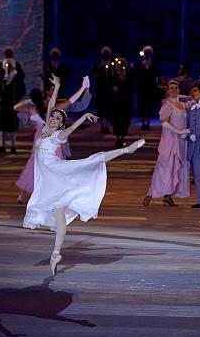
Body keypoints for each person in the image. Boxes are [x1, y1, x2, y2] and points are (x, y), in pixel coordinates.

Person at [22, 75, 146, 275]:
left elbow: (70, 128)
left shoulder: (57, 136)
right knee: (59, 218)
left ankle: (125, 150)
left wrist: (83, 116)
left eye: (57, 119)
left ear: (60, 124)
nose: (53, 119)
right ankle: (56, 254)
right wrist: (58, 86)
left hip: (58, 172)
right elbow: (52, 105)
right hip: (50, 181)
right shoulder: (46, 128)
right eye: (52, 117)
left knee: (91, 160)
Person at [15, 75, 90, 204]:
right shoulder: (52, 110)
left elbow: (16, 107)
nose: (54, 118)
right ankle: (47, 195)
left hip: (48, 144)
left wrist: (30, 100)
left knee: (42, 167)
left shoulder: (39, 110)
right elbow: (69, 101)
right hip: (46, 145)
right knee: (46, 167)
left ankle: (47, 195)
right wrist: (81, 87)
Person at [143, 80, 189, 207]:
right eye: (172, 88)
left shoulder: (182, 104)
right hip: (170, 140)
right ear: (168, 91)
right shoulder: (167, 105)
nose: (174, 89)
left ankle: (167, 196)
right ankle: (150, 193)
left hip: (180, 140)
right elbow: (165, 123)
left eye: (176, 87)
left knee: (176, 168)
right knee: (164, 167)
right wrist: (179, 131)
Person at [0, 58, 25, 153]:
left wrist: (16, 99)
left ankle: (13, 146)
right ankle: (2, 146)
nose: (8, 67)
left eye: (10, 65)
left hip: (13, 104)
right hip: (3, 105)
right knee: (2, 126)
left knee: (12, 126)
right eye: (6, 65)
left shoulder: (17, 78)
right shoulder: (2, 78)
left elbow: (22, 90)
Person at [109, 58, 134, 148]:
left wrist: (123, 79)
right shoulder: (114, 75)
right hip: (116, 102)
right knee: (116, 120)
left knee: (124, 121)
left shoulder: (129, 75)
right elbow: (110, 84)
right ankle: (117, 137)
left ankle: (122, 138)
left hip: (125, 102)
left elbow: (131, 87)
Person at [135, 45, 161, 131]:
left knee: (150, 106)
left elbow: (158, 74)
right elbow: (136, 73)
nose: (147, 54)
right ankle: (143, 123)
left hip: (151, 88)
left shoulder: (154, 63)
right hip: (142, 88)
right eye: (146, 52)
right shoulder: (139, 63)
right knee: (142, 106)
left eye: (149, 52)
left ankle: (148, 123)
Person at [92, 46, 114, 133]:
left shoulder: (112, 64)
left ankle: (107, 125)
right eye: (105, 53)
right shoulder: (98, 64)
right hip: (100, 89)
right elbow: (94, 73)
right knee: (100, 108)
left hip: (109, 89)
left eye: (107, 53)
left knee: (109, 108)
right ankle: (102, 126)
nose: (106, 55)